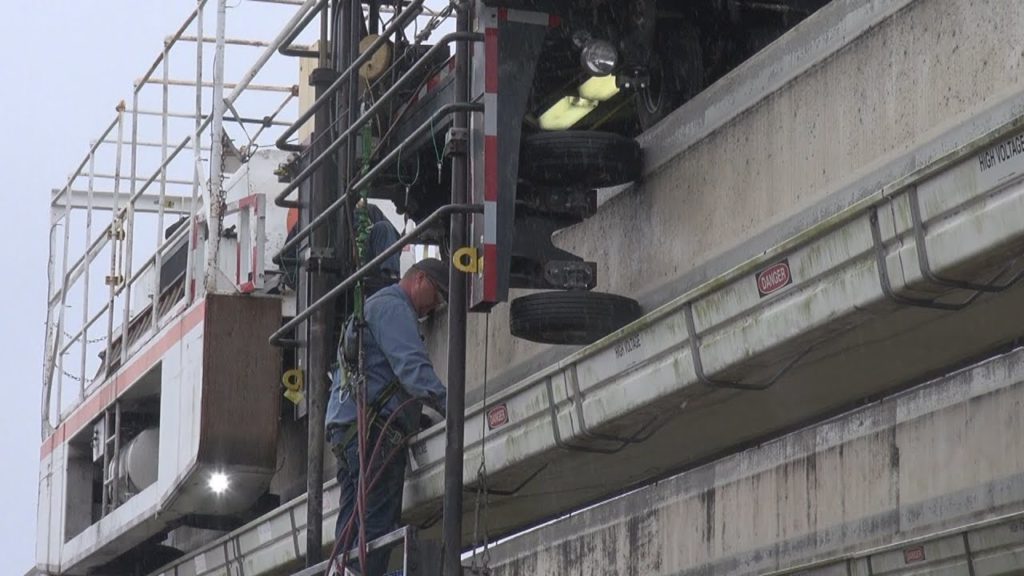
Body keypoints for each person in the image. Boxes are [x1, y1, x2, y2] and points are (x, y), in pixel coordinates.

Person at [325, 258, 449, 576]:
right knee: (378, 516)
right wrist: (450, 406)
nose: (434, 306)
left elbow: (380, 372)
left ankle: (344, 572)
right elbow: (413, 369)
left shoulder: (375, 307)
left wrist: (412, 416)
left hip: (348, 426)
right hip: (371, 429)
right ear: (419, 279)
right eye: (435, 295)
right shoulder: (394, 308)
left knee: (353, 512)